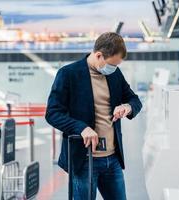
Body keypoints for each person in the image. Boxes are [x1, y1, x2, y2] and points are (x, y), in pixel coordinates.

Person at [45, 32, 142, 200]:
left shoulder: (115, 74)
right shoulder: (68, 74)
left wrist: (127, 107)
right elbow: (52, 113)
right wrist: (81, 128)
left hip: (113, 160)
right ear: (98, 55)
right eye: (112, 64)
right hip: (84, 161)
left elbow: (135, 100)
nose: (113, 69)